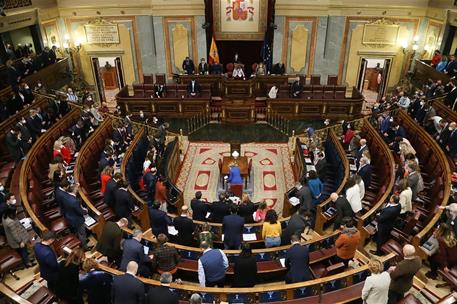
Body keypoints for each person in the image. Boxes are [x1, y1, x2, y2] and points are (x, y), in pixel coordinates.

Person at [61, 184, 89, 249]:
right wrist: (86, 211)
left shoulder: (65, 196)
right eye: (76, 188)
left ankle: (82, 241)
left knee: (78, 231)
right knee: (82, 233)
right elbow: (81, 211)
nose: (77, 189)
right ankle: (85, 247)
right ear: (74, 190)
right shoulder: (74, 201)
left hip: (69, 217)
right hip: (77, 220)